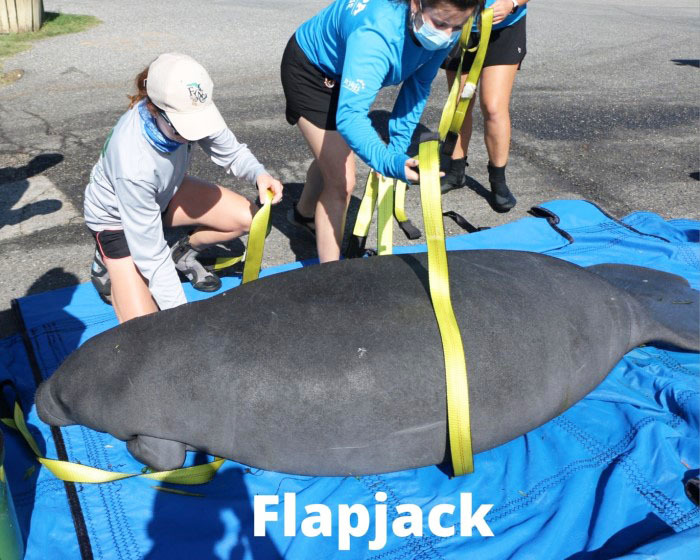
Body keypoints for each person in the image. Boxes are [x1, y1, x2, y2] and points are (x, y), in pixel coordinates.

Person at [84, 53, 283, 323]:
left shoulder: (189, 103)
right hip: (116, 218)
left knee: (250, 218)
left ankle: (182, 253)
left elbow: (232, 152)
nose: (193, 135)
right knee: (143, 328)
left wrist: (259, 175)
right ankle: (106, 259)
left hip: (164, 193)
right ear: (155, 108)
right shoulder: (133, 161)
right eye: (183, 129)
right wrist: (184, 319)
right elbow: (152, 257)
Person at [281, 0, 480, 262]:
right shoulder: (375, 35)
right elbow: (350, 117)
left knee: (333, 156)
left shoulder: (444, 30)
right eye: (440, 24)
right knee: (342, 183)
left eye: (457, 26)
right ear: (415, 4)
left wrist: (397, 150)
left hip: (347, 69)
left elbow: (418, 86)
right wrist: (387, 162)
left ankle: (304, 214)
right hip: (312, 71)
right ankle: (333, 278)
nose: (446, 35)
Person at [440, 0, 529, 212]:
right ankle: (456, 170)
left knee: (493, 106)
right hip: (457, 23)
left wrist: (512, 3)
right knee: (459, 102)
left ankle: (498, 181)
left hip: (503, 28)